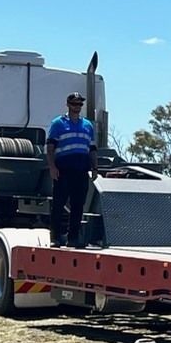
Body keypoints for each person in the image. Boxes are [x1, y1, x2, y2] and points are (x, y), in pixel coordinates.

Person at [46, 92, 97, 247]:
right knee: (59, 204)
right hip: (63, 170)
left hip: (81, 170)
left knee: (78, 204)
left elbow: (92, 149)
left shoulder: (88, 125)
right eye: (74, 104)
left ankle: (72, 238)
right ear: (68, 105)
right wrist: (52, 167)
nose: (77, 107)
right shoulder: (59, 123)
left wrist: (95, 167)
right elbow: (50, 148)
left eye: (80, 104)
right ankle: (55, 237)